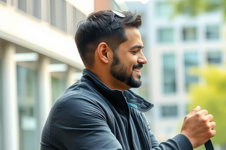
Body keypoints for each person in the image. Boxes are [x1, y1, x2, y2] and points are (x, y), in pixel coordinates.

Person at [40, 10, 216, 150]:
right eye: (134, 51)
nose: (143, 59)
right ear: (104, 53)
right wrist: (187, 138)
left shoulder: (132, 110)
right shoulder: (75, 107)